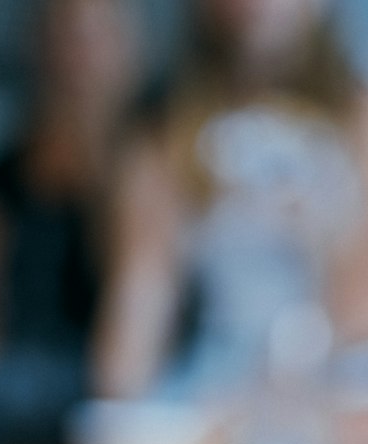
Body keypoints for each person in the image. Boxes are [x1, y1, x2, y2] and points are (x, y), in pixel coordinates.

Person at [92, 0, 368, 402]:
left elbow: (356, 324)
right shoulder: (165, 138)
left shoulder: (356, 127)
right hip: (210, 396)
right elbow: (130, 338)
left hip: (334, 404)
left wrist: (321, 237)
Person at [0, 0, 144, 439]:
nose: (79, 55)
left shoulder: (152, 164)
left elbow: (138, 319)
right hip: (12, 388)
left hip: (109, 399)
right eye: (66, 37)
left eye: (94, 37)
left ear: (127, 47)